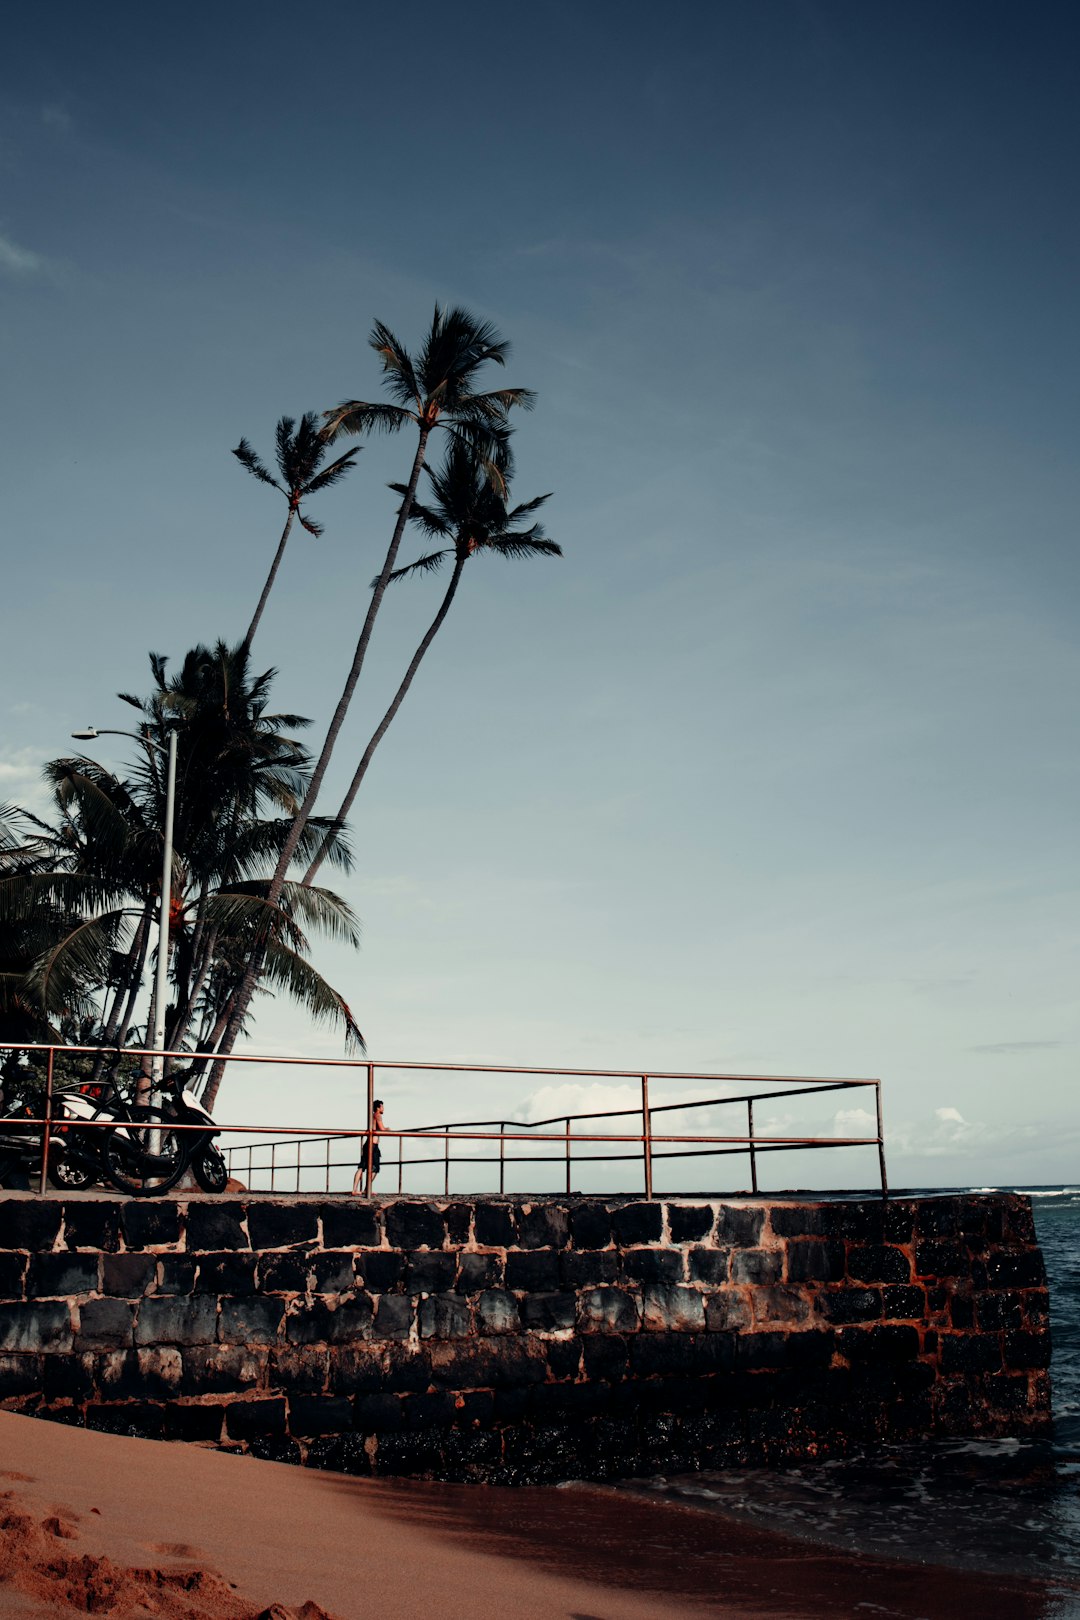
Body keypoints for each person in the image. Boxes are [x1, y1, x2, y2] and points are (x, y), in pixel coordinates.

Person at [352, 1098, 384, 1196]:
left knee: (362, 1166)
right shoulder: (377, 1115)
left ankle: (355, 1189)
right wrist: (388, 1129)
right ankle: (366, 1189)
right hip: (373, 1145)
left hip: (368, 1144)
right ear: (378, 1108)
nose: (383, 1109)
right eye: (382, 1106)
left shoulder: (372, 1116)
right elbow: (382, 1129)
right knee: (375, 1168)